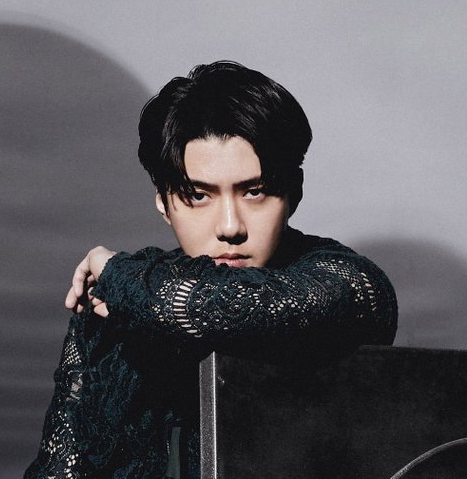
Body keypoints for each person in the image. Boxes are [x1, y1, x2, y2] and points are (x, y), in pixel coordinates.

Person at [25, 61, 397, 479]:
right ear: (164, 203)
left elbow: (230, 306)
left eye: (255, 192)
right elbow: (61, 466)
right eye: (199, 196)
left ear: (294, 193)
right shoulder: (119, 301)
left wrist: (114, 273)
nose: (230, 227)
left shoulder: (347, 282)